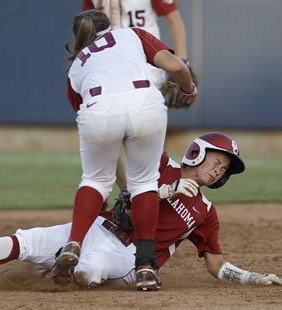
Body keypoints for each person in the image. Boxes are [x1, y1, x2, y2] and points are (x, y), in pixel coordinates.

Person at [0, 132, 282, 290]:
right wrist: (164, 189)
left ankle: (57, 273)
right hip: (98, 227)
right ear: (198, 153)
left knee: (90, 269)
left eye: (225, 169)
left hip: (128, 256)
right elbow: (125, 172)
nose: (219, 170)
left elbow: (215, 264)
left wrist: (252, 278)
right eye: (218, 160)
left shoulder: (206, 211)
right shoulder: (161, 164)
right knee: (31, 238)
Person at [58, 9, 197, 291]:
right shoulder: (131, 34)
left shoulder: (77, 66)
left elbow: (92, 120)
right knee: (144, 183)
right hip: (144, 103)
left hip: (97, 110)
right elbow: (178, 69)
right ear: (109, 25)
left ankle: (73, 243)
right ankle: (146, 267)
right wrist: (187, 88)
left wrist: (118, 186)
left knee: (95, 180)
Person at [82, 0, 192, 196]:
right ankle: (126, 194)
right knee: (108, 138)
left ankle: (156, 191)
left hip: (146, 67)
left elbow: (174, 19)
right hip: (109, 68)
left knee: (149, 138)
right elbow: (87, 27)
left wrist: (183, 61)